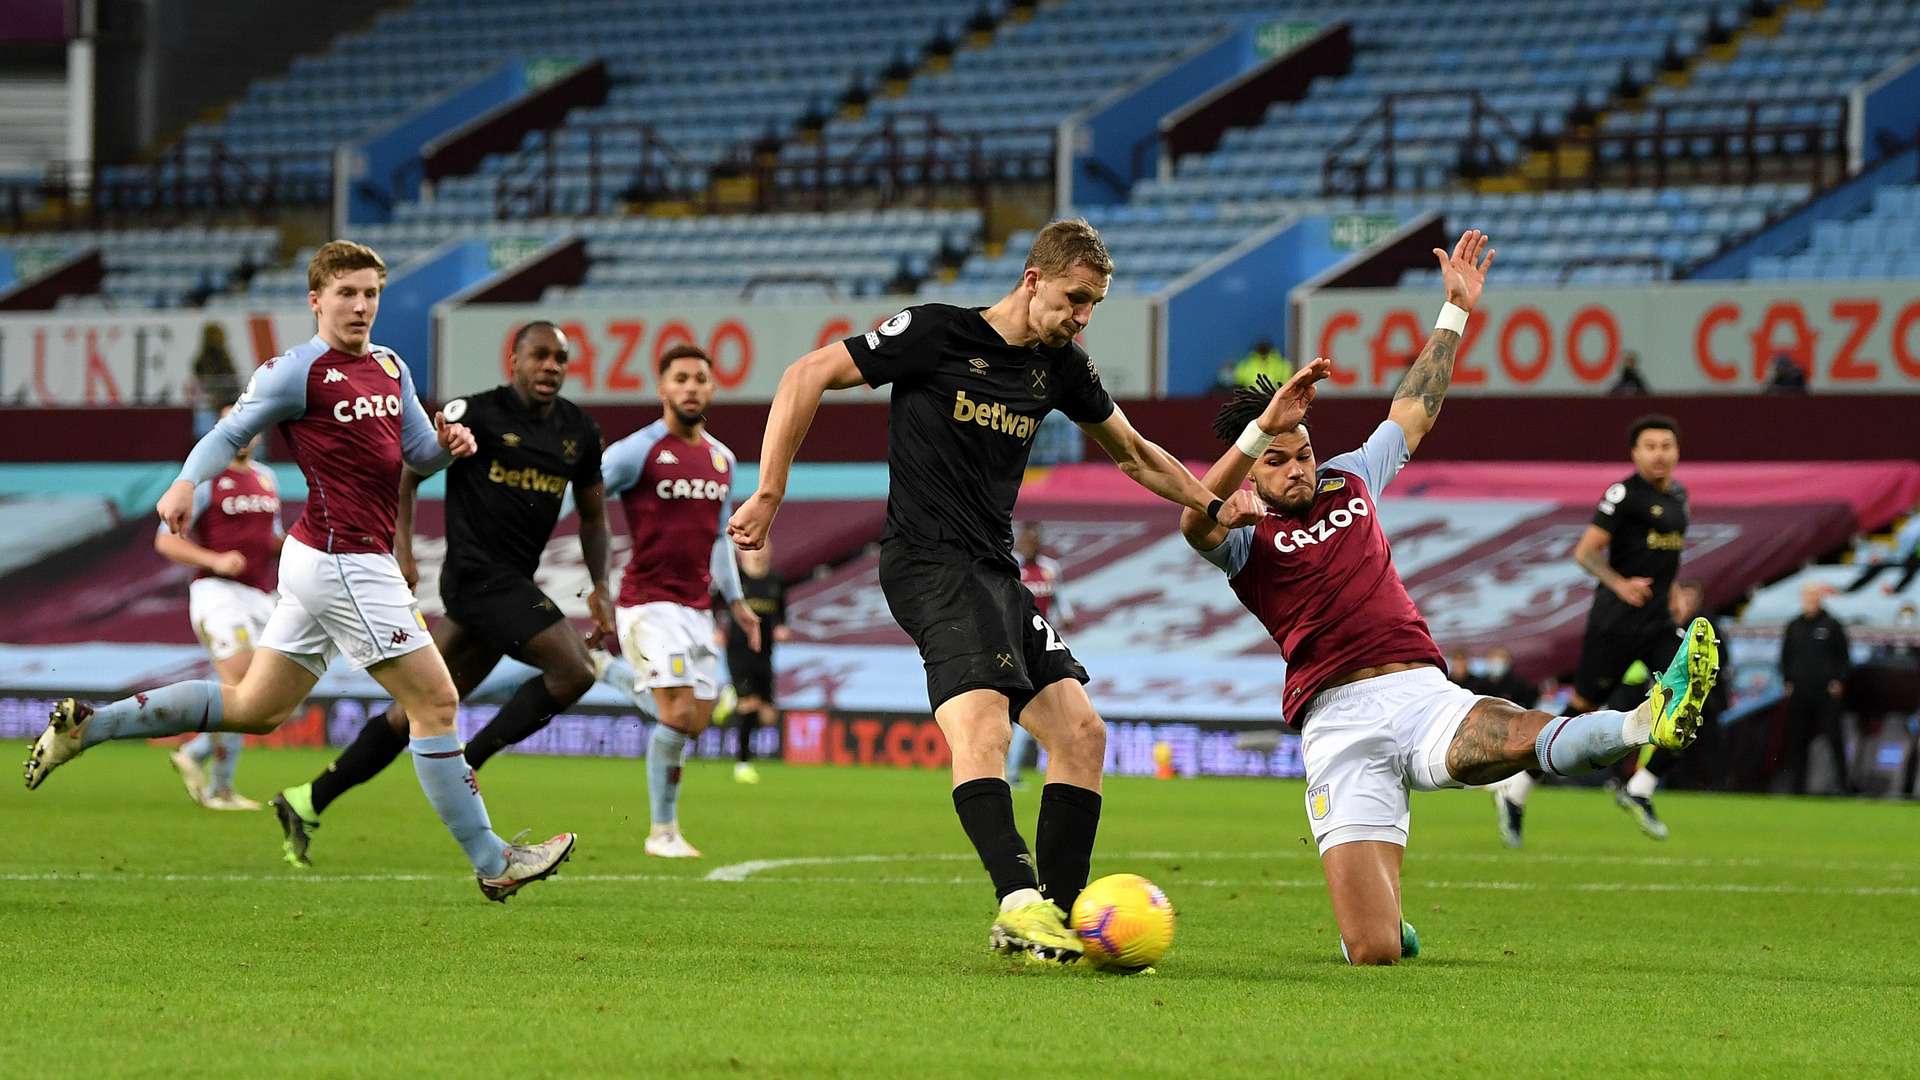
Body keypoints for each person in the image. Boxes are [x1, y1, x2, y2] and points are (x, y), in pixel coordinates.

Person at [728, 217, 1263, 963]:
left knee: (1083, 735)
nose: (1081, 318)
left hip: (994, 570)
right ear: (1033, 279)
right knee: (983, 726)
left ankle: (1061, 918)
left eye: (1093, 307)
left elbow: (1136, 454)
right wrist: (769, 493)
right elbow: (805, 374)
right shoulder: (934, 332)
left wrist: (1211, 503)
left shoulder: (1061, 367)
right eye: (1074, 299)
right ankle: (1016, 901)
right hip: (926, 561)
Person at [1181, 230, 1719, 964]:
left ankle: (1640, 725)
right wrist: (1254, 437)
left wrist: (1454, 315)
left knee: (1509, 737)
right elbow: (1190, 519)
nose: (1299, 467)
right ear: (1255, 468)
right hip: (1336, 722)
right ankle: (1386, 918)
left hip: (1419, 689)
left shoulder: (1351, 478)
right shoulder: (1244, 531)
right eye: (1279, 459)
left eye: (1302, 451)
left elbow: (1414, 408)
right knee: (1373, 951)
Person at [24, 241, 575, 902]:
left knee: (259, 707)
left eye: (370, 293)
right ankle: (493, 859)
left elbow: (416, 454)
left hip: (327, 558)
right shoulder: (296, 371)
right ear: (316, 299)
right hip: (343, 559)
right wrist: (184, 486)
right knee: (435, 702)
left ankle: (91, 725)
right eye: (347, 293)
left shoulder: (390, 366)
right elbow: (228, 435)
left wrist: (448, 447)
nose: (361, 306)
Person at [269, 320, 613, 867]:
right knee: (575, 671)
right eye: (539, 356)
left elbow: (594, 516)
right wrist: (400, 548)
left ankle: (307, 799)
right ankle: (470, 760)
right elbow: (407, 474)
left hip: (510, 587)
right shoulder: (473, 413)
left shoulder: (580, 433)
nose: (550, 367)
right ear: (514, 360)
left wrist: (601, 588)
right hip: (476, 577)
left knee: (418, 711)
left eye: (560, 359)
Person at [591, 343, 761, 859]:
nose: (691, 387)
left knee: (694, 719)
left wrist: (736, 601)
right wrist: (594, 581)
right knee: (678, 711)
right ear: (662, 387)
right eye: (681, 378)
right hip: (647, 602)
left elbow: (718, 537)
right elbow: (586, 501)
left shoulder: (721, 459)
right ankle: (662, 832)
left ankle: (610, 671)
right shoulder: (636, 451)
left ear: (712, 388)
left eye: (700, 379)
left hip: (696, 607)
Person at [1493, 413, 1690, 845]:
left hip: (1657, 626)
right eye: (1651, 446)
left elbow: (1667, 562)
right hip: (1614, 625)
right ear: (1635, 453)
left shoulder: (1679, 498)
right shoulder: (1623, 496)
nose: (1660, 454)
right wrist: (1620, 584)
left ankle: (1640, 787)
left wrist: (1673, 595)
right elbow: (1585, 553)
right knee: (1579, 710)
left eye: (1667, 446)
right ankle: (1517, 791)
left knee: (1694, 695)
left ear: (1677, 452)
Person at [155, 404, 288, 811]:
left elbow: (272, 538)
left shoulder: (268, 478)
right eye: (235, 425)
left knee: (262, 694)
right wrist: (215, 560)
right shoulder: (207, 480)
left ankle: (197, 759)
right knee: (244, 685)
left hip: (261, 596)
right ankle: (218, 787)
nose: (245, 434)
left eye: (251, 425)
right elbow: (166, 540)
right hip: (218, 594)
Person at [1005, 521, 1075, 789]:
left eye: (1034, 539)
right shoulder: (1012, 567)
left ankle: (1011, 772)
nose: (1029, 543)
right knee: (1015, 711)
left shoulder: (1050, 568)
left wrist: (1066, 616)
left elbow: (1060, 599)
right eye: (1026, 539)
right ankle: (1006, 771)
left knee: (1028, 711)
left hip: (1041, 648)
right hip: (1013, 645)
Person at [718, 540, 790, 785]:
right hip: (739, 651)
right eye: (753, 550)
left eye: (762, 548)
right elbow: (713, 604)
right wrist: (717, 629)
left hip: (765, 653)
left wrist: (781, 627)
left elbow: (781, 613)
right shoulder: (735, 579)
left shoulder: (776, 581)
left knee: (768, 715)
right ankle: (743, 764)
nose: (758, 554)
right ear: (742, 553)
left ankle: (730, 695)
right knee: (748, 705)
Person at [1780, 582, 1853, 794]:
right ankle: (1796, 787)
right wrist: (1788, 680)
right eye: (1807, 597)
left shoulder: (1832, 625)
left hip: (1825, 691)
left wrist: (1839, 680)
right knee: (1797, 740)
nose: (1810, 601)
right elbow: (1785, 656)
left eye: (1814, 597)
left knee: (1834, 739)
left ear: (1820, 599)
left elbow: (1844, 657)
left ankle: (1842, 785)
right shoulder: (1794, 625)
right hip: (1800, 691)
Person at [190, 322, 241, 439]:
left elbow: (233, 382)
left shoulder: (226, 360)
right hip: (209, 405)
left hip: (225, 404)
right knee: (206, 433)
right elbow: (200, 383)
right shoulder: (201, 361)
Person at [1217, 338, 1292, 393]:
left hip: (1273, 398)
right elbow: (1236, 376)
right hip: (1253, 399)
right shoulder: (1249, 363)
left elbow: (1288, 382)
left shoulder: (1282, 365)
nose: (1263, 353)